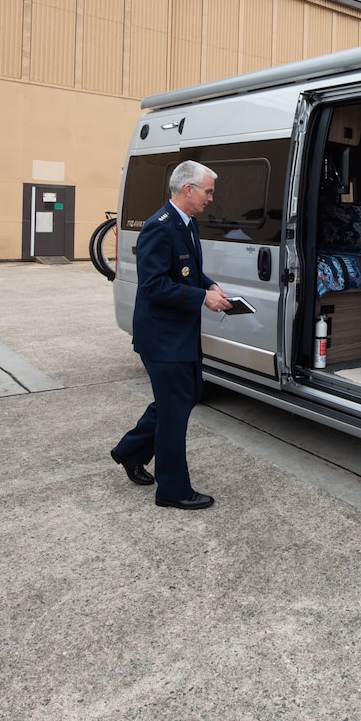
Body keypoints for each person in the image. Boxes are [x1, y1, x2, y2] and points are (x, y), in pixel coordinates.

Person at [108, 161, 231, 509]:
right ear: (188, 189)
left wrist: (209, 286)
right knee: (175, 410)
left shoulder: (187, 223)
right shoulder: (159, 228)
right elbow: (154, 285)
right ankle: (173, 490)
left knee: (181, 398)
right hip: (162, 338)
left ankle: (130, 451)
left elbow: (187, 273)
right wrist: (201, 297)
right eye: (207, 191)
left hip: (180, 334)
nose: (211, 198)